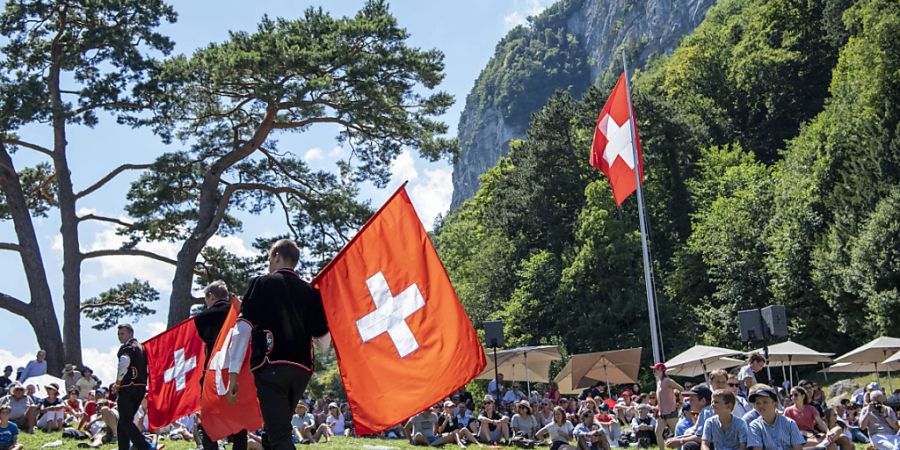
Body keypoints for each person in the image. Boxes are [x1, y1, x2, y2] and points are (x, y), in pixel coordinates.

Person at [225, 239, 329, 450]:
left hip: (271, 365)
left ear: (277, 256)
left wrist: (233, 373)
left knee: (278, 434)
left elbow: (242, 330)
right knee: (273, 430)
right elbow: (323, 343)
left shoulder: (261, 283)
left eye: (270, 258)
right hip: (302, 370)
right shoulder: (311, 293)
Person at [193, 280, 248, 450]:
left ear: (211, 296)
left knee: (210, 420)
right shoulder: (240, 311)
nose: (205, 303)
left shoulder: (202, 318)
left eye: (205, 299)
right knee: (239, 421)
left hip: (213, 371)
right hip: (238, 370)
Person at [113, 323, 150, 450]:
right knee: (123, 421)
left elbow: (124, 363)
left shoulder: (127, 347)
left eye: (122, 333)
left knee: (125, 421)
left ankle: (145, 447)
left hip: (128, 387)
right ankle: (123, 448)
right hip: (140, 388)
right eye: (118, 334)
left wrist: (118, 383)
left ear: (131, 333)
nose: (119, 336)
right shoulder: (142, 348)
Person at [666, 384, 713, 450]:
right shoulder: (705, 411)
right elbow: (696, 432)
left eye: (692, 400)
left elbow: (702, 437)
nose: (689, 403)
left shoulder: (707, 412)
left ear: (703, 401)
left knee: (689, 446)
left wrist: (680, 441)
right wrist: (676, 438)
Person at [654, 363, 685, 450]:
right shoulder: (659, 382)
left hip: (671, 412)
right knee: (657, 432)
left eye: (655, 370)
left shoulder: (668, 381)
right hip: (662, 414)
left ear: (660, 370)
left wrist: (680, 402)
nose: (654, 372)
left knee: (678, 434)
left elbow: (681, 389)